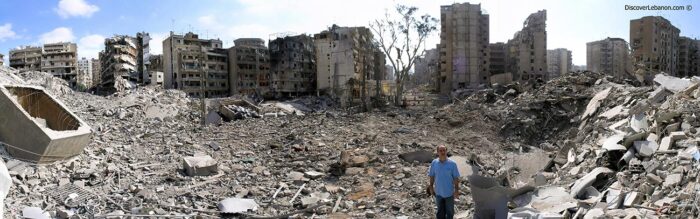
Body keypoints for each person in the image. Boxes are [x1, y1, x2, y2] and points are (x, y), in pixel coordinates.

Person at [427, 145, 460, 219]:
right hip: (438, 193)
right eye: (440, 151)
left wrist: (456, 191)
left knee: (450, 212)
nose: (442, 152)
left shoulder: (452, 164)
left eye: (444, 150)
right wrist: (431, 187)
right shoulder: (434, 163)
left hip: (449, 193)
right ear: (437, 152)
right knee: (440, 212)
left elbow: (455, 178)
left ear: (446, 151)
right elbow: (431, 175)